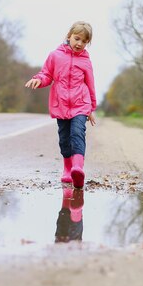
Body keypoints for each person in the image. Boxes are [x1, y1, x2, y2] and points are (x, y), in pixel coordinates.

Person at [25, 21, 97, 188]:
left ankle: (78, 168)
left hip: (81, 104)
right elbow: (46, 74)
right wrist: (38, 80)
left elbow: (90, 84)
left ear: (87, 43)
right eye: (77, 38)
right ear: (69, 36)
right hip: (61, 104)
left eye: (84, 41)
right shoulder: (55, 56)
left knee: (77, 133)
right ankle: (67, 168)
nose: (79, 44)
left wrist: (91, 108)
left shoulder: (86, 60)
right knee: (64, 138)